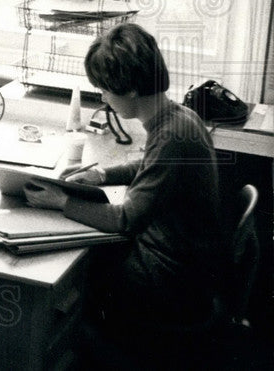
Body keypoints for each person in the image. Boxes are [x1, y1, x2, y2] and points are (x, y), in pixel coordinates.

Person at [23, 23, 221, 358]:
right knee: (90, 259)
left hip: (171, 280)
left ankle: (67, 354)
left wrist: (61, 202)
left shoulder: (171, 135)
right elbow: (148, 165)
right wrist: (100, 174)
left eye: (103, 88)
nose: (102, 96)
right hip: (188, 267)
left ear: (128, 88)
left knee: (75, 272)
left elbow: (125, 219)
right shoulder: (179, 117)